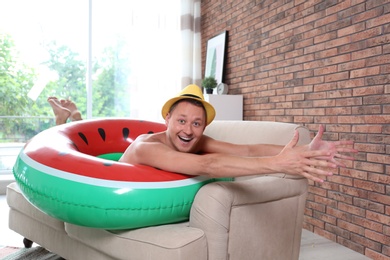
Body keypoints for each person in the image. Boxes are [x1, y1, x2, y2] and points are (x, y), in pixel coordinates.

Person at [49, 85, 357, 183]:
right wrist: (279, 164)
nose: (188, 130)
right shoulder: (147, 147)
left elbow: (246, 150)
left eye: (197, 123)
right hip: (107, 178)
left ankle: (74, 116)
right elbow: (207, 166)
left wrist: (305, 147)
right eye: (181, 121)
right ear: (167, 119)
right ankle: (68, 120)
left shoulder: (195, 141)